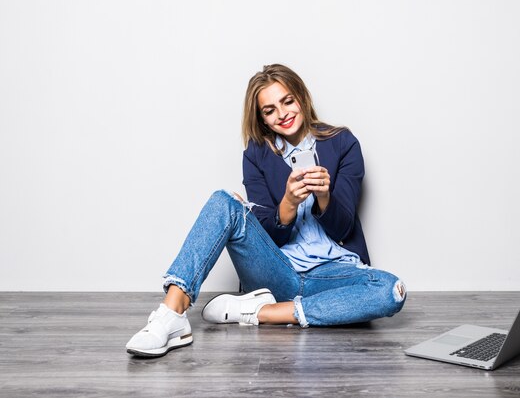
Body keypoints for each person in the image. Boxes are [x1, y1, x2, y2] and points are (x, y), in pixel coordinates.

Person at [126, 64, 406, 357]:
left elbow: (344, 228)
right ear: (261, 118)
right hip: (277, 274)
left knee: (391, 290)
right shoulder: (256, 153)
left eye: (287, 101)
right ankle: (171, 316)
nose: (282, 114)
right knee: (224, 201)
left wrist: (325, 196)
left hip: (334, 276)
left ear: (302, 97)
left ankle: (262, 313)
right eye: (269, 110)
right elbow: (268, 233)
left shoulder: (343, 143)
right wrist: (288, 203)